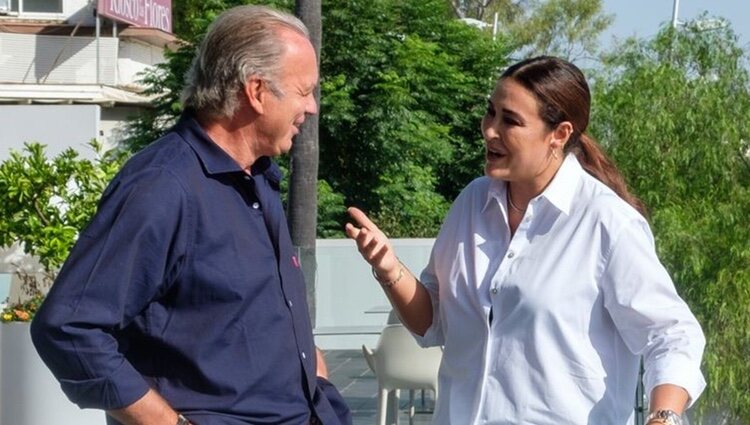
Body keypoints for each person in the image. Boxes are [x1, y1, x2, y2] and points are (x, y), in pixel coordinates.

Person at [30, 5, 351, 425]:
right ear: (256, 91)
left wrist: (315, 378)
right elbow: (68, 328)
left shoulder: (257, 178)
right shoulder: (163, 186)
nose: (311, 107)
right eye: (303, 90)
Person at [345, 56, 705, 425]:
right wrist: (388, 268)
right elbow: (432, 322)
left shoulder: (607, 222)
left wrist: (664, 416)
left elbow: (672, 333)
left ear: (560, 134)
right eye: (490, 113)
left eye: (510, 121)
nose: (490, 130)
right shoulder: (472, 202)